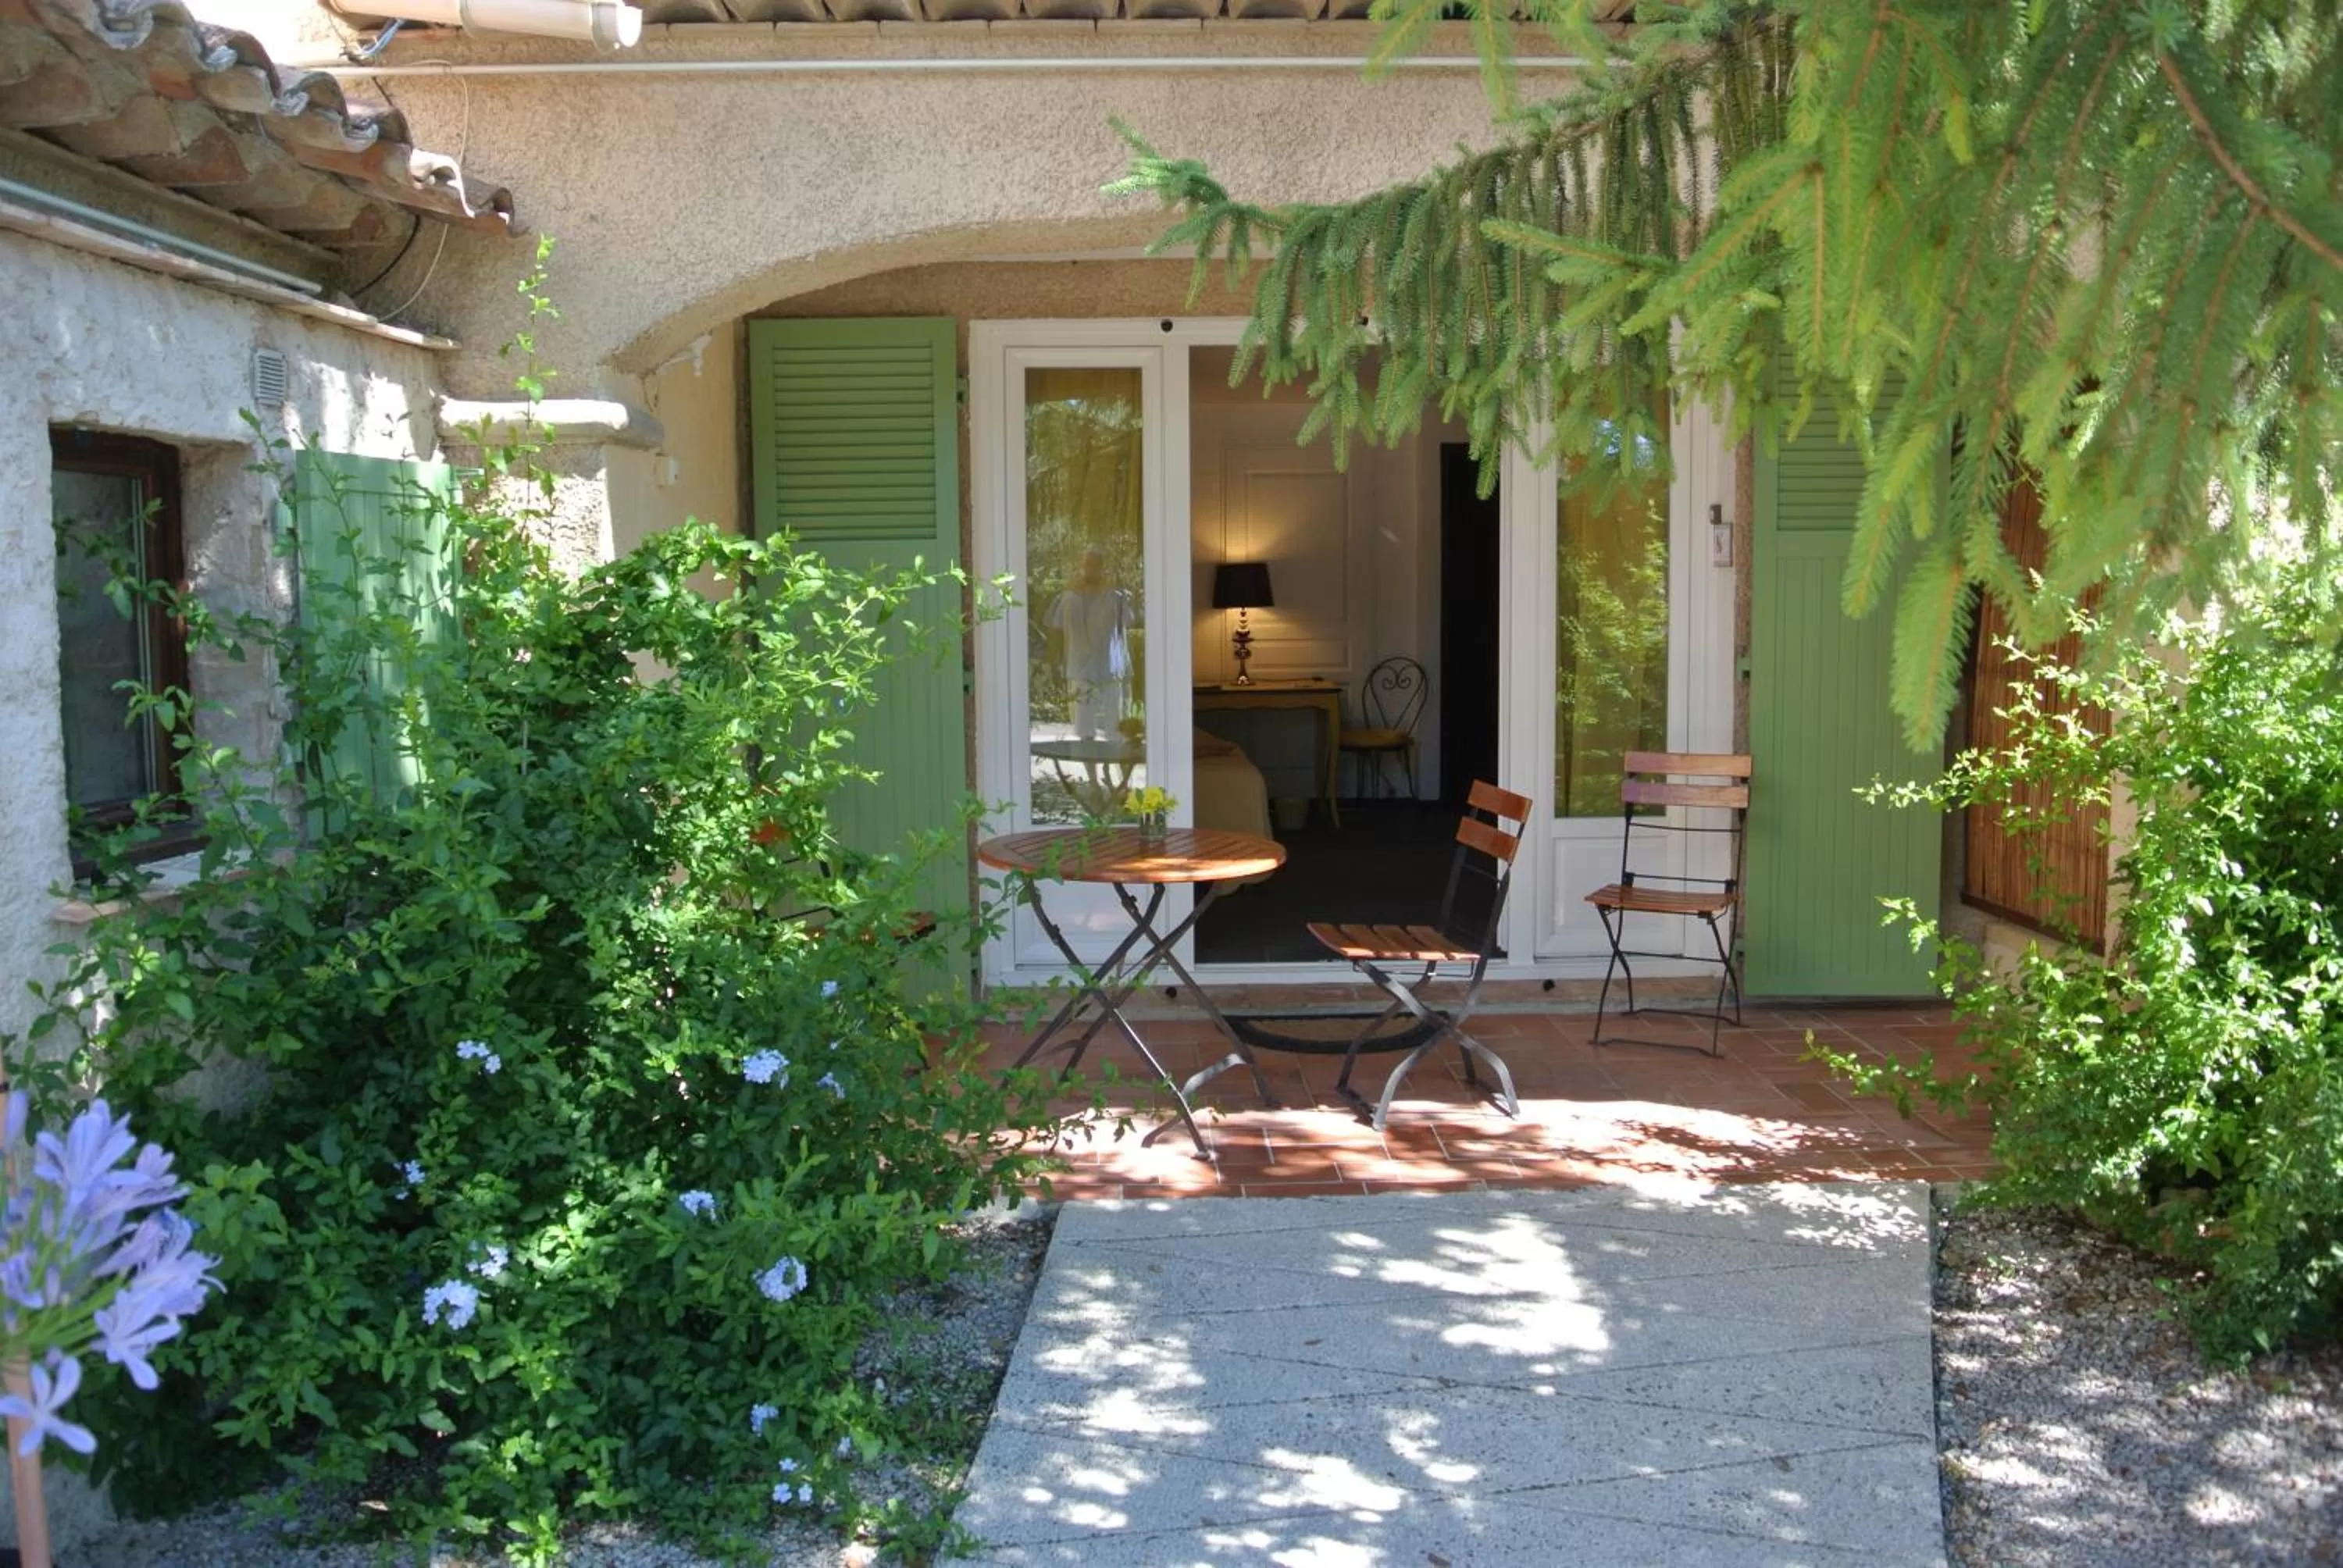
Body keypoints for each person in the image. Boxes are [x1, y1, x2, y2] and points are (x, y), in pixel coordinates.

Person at [1047, 545, 1137, 740]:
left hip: (1110, 668)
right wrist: (1054, 665)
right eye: (1088, 564)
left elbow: (1129, 622)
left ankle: (1113, 767)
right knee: (1084, 728)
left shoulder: (1115, 598)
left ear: (1103, 567)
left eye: (1096, 565)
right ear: (1082, 566)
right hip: (1080, 669)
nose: (1091, 569)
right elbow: (1056, 630)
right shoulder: (1069, 598)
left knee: (1116, 725)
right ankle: (1091, 772)